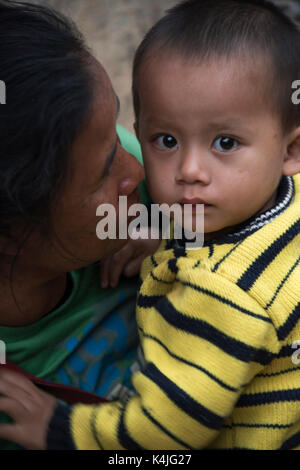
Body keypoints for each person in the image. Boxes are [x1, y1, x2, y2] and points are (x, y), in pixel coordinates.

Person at [1, 0, 300, 450]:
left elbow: (169, 436)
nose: (140, 171)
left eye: (224, 142)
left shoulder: (214, 283)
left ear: (290, 154)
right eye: (164, 140)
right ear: (13, 230)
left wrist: (60, 431)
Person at [0, 0, 155, 450]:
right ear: (11, 231)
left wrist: (184, 240)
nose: (139, 172)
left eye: (115, 134)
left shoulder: (144, 197)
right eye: (107, 168)